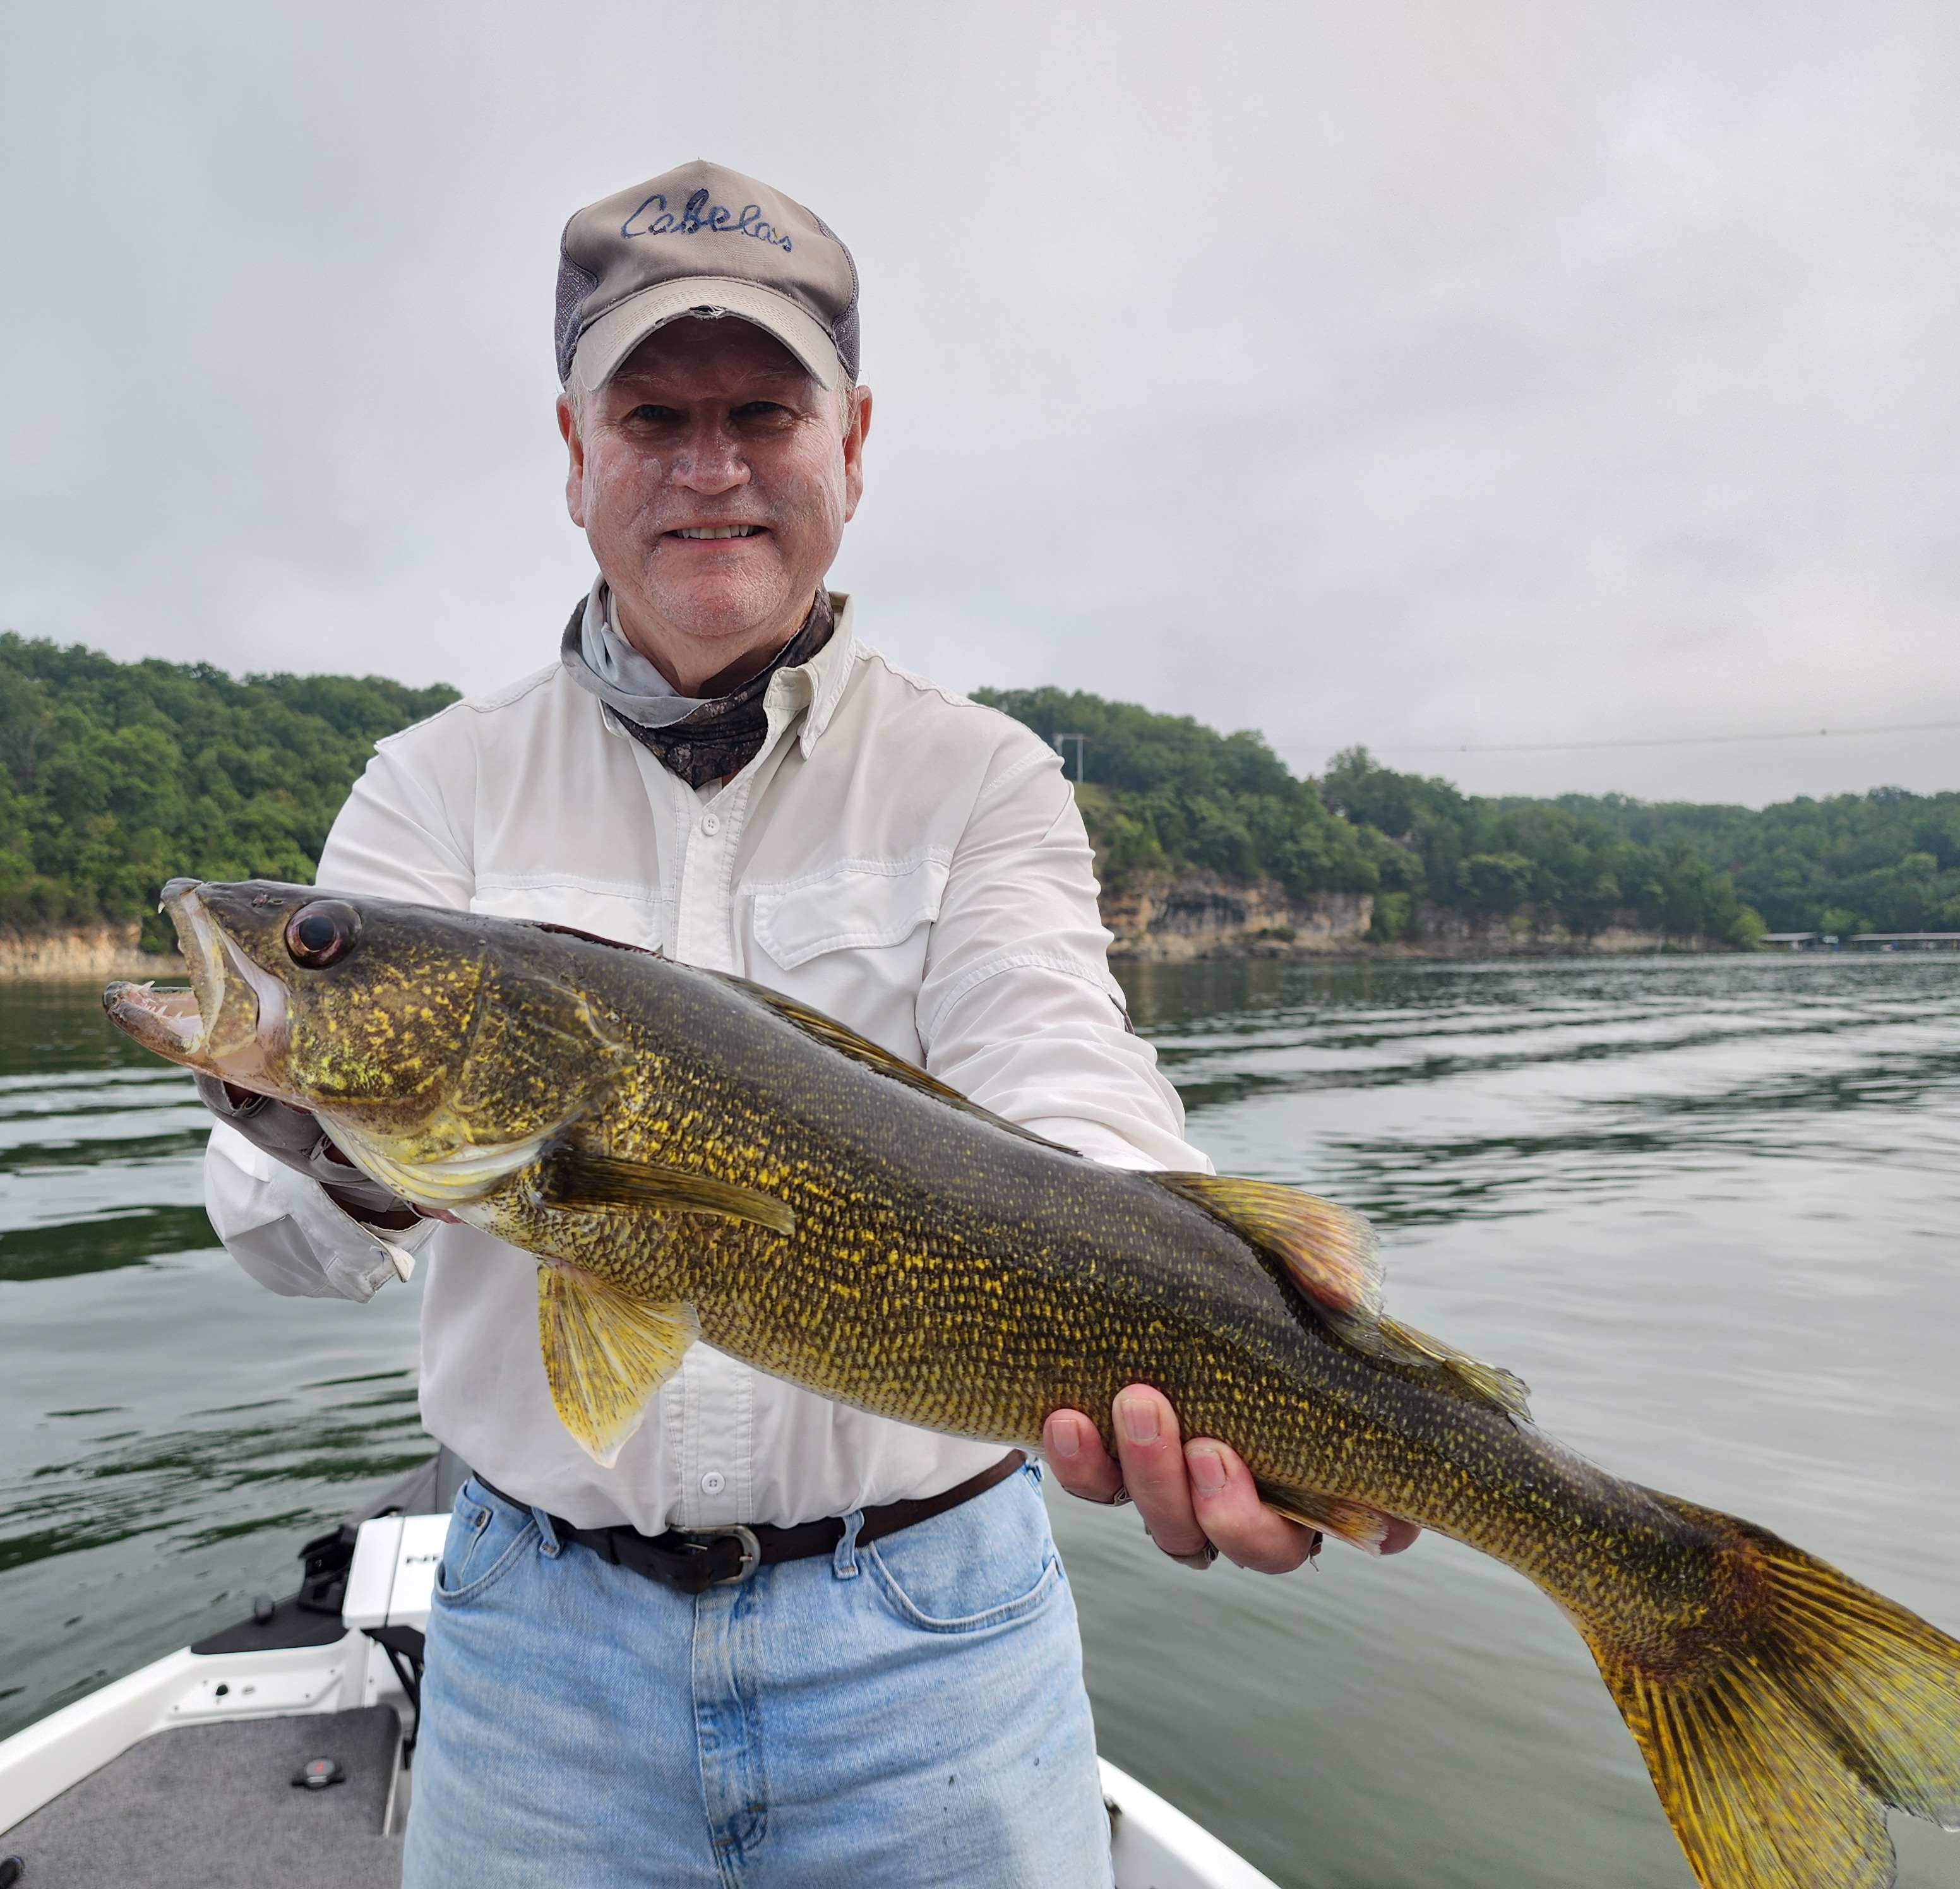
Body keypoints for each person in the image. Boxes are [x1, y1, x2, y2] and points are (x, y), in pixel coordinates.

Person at [198, 160, 1411, 1888]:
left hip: (934, 1640)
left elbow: (1066, 1068)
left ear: (851, 444)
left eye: (762, 411)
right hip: (535, 1641)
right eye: (654, 414)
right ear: (573, 455)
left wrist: (1225, 1326)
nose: (710, 467)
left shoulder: (980, 776)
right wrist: (370, 1155)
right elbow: (278, 1243)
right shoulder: (430, 793)